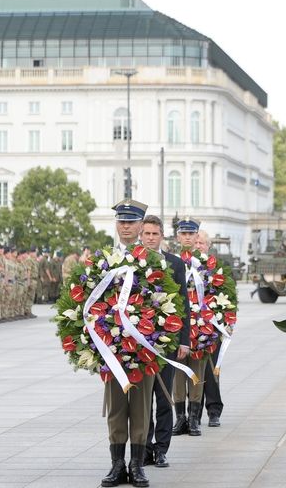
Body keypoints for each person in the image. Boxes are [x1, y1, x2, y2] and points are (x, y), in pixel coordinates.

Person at [101, 199, 187, 488]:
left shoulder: (153, 263)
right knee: (116, 408)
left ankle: (137, 465)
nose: (126, 226)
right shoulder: (105, 260)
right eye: (121, 222)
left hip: (145, 348)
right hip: (114, 348)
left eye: (131, 222)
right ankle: (116, 465)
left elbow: (170, 304)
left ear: (140, 227)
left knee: (140, 407)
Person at [140, 215, 191, 469]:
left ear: (162, 236)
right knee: (142, 400)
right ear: (141, 235)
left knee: (163, 396)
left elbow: (184, 304)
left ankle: (161, 449)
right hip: (139, 342)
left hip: (167, 341)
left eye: (155, 234)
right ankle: (144, 448)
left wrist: (184, 340)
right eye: (147, 234)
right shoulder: (134, 263)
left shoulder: (175, 264)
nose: (150, 238)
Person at [170, 217, 209, 438]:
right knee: (177, 372)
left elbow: (215, 294)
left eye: (190, 234)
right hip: (180, 324)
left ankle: (194, 418)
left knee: (197, 372)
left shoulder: (207, 264)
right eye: (183, 234)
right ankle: (180, 418)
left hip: (201, 325)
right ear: (178, 237)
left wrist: (210, 323)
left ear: (197, 236)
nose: (186, 237)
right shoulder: (172, 262)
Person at [194, 231, 224, 428]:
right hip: (191, 328)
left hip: (212, 327)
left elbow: (227, 296)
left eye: (202, 243)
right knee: (193, 371)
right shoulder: (185, 265)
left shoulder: (216, 268)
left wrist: (226, 322)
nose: (198, 245)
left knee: (212, 371)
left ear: (208, 246)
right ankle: (193, 413)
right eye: (195, 242)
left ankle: (214, 411)